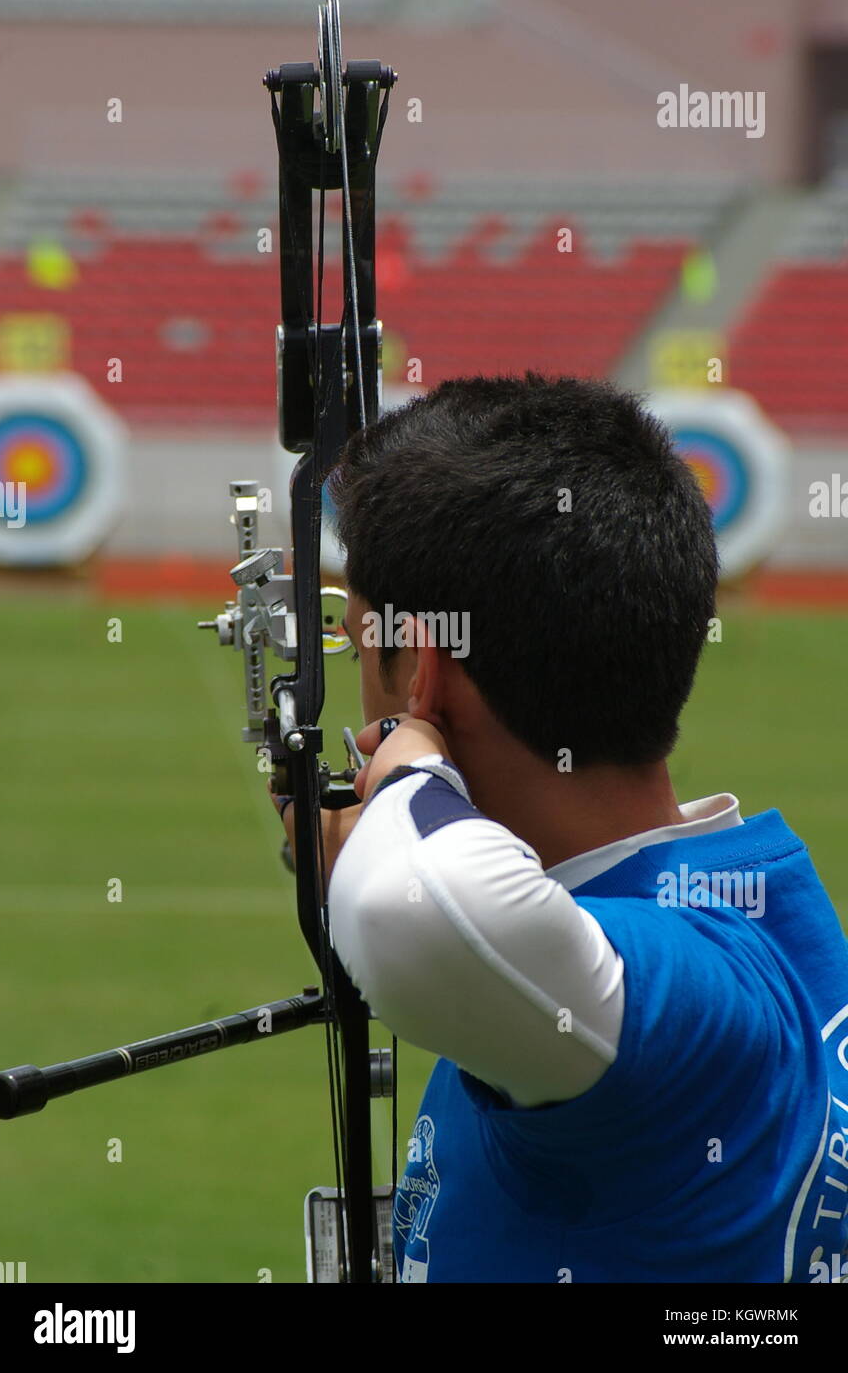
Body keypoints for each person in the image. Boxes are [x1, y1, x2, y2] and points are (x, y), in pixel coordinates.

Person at [279, 372, 848, 1283]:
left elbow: (417, 911)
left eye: (356, 643)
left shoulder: (687, 1007)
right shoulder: (756, 900)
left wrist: (403, 782)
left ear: (422, 672)